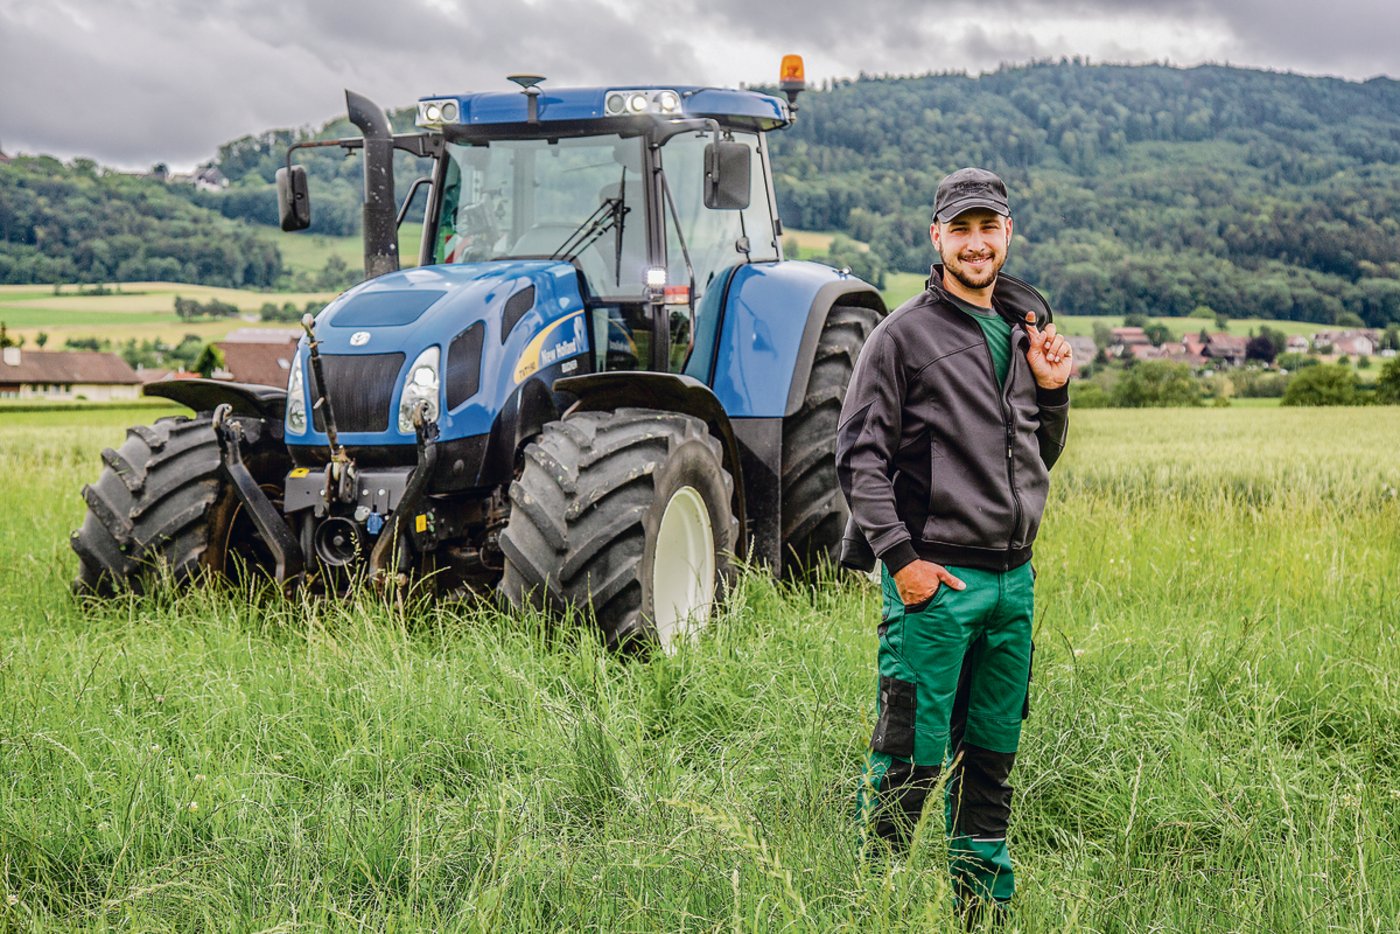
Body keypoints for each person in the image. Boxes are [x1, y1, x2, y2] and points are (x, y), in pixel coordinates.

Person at [835, 167, 1072, 918]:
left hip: (1012, 584)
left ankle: (982, 910)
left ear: (1008, 234)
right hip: (936, 583)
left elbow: (1035, 454)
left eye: (988, 227)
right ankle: (876, 906)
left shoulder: (1026, 330)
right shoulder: (901, 338)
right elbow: (858, 457)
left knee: (992, 759)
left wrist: (1052, 391)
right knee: (909, 757)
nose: (976, 243)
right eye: (960, 229)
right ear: (936, 237)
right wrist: (902, 562)